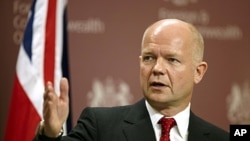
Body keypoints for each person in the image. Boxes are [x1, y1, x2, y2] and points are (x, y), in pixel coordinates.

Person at [34, 19, 229, 141]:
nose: (157, 69)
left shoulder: (220, 138)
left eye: (172, 60)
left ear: (199, 72)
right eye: (149, 58)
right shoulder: (100, 126)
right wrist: (50, 134)